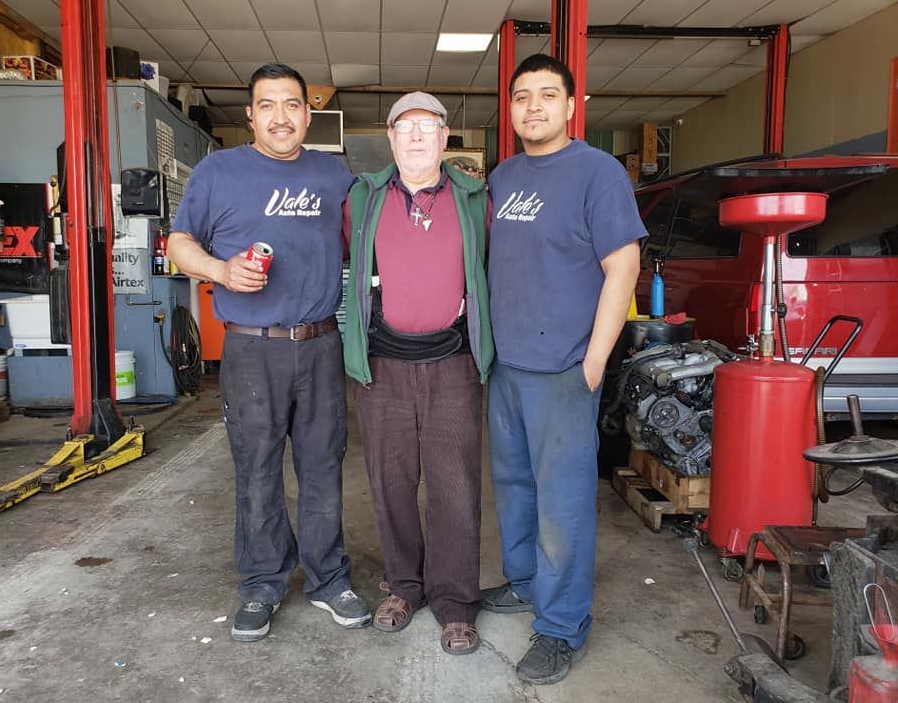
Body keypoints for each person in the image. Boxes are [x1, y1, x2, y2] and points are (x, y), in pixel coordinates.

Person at [168, 63, 371, 642]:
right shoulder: (219, 171)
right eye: (268, 105)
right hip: (250, 349)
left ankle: (330, 579)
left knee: (323, 465)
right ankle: (262, 581)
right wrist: (220, 270)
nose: (281, 117)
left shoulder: (335, 178)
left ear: (308, 115)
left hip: (320, 344)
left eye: (292, 105)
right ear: (251, 115)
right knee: (256, 467)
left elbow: (371, 243)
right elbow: (180, 241)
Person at [482, 54, 646, 684]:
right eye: (522, 97)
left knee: (564, 505)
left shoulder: (597, 173)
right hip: (509, 366)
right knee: (515, 488)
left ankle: (562, 625)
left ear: (571, 105)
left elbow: (623, 267)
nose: (533, 108)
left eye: (547, 95)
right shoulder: (504, 176)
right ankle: (525, 584)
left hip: (563, 369)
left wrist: (595, 360)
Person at [342, 92, 493, 654]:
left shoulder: (477, 198)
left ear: (445, 137)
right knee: (390, 481)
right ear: (390, 138)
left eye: (427, 127)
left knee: (455, 484)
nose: (416, 137)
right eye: (404, 128)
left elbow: (491, 270)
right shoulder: (363, 198)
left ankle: (455, 602)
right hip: (384, 365)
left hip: (452, 363)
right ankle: (404, 585)